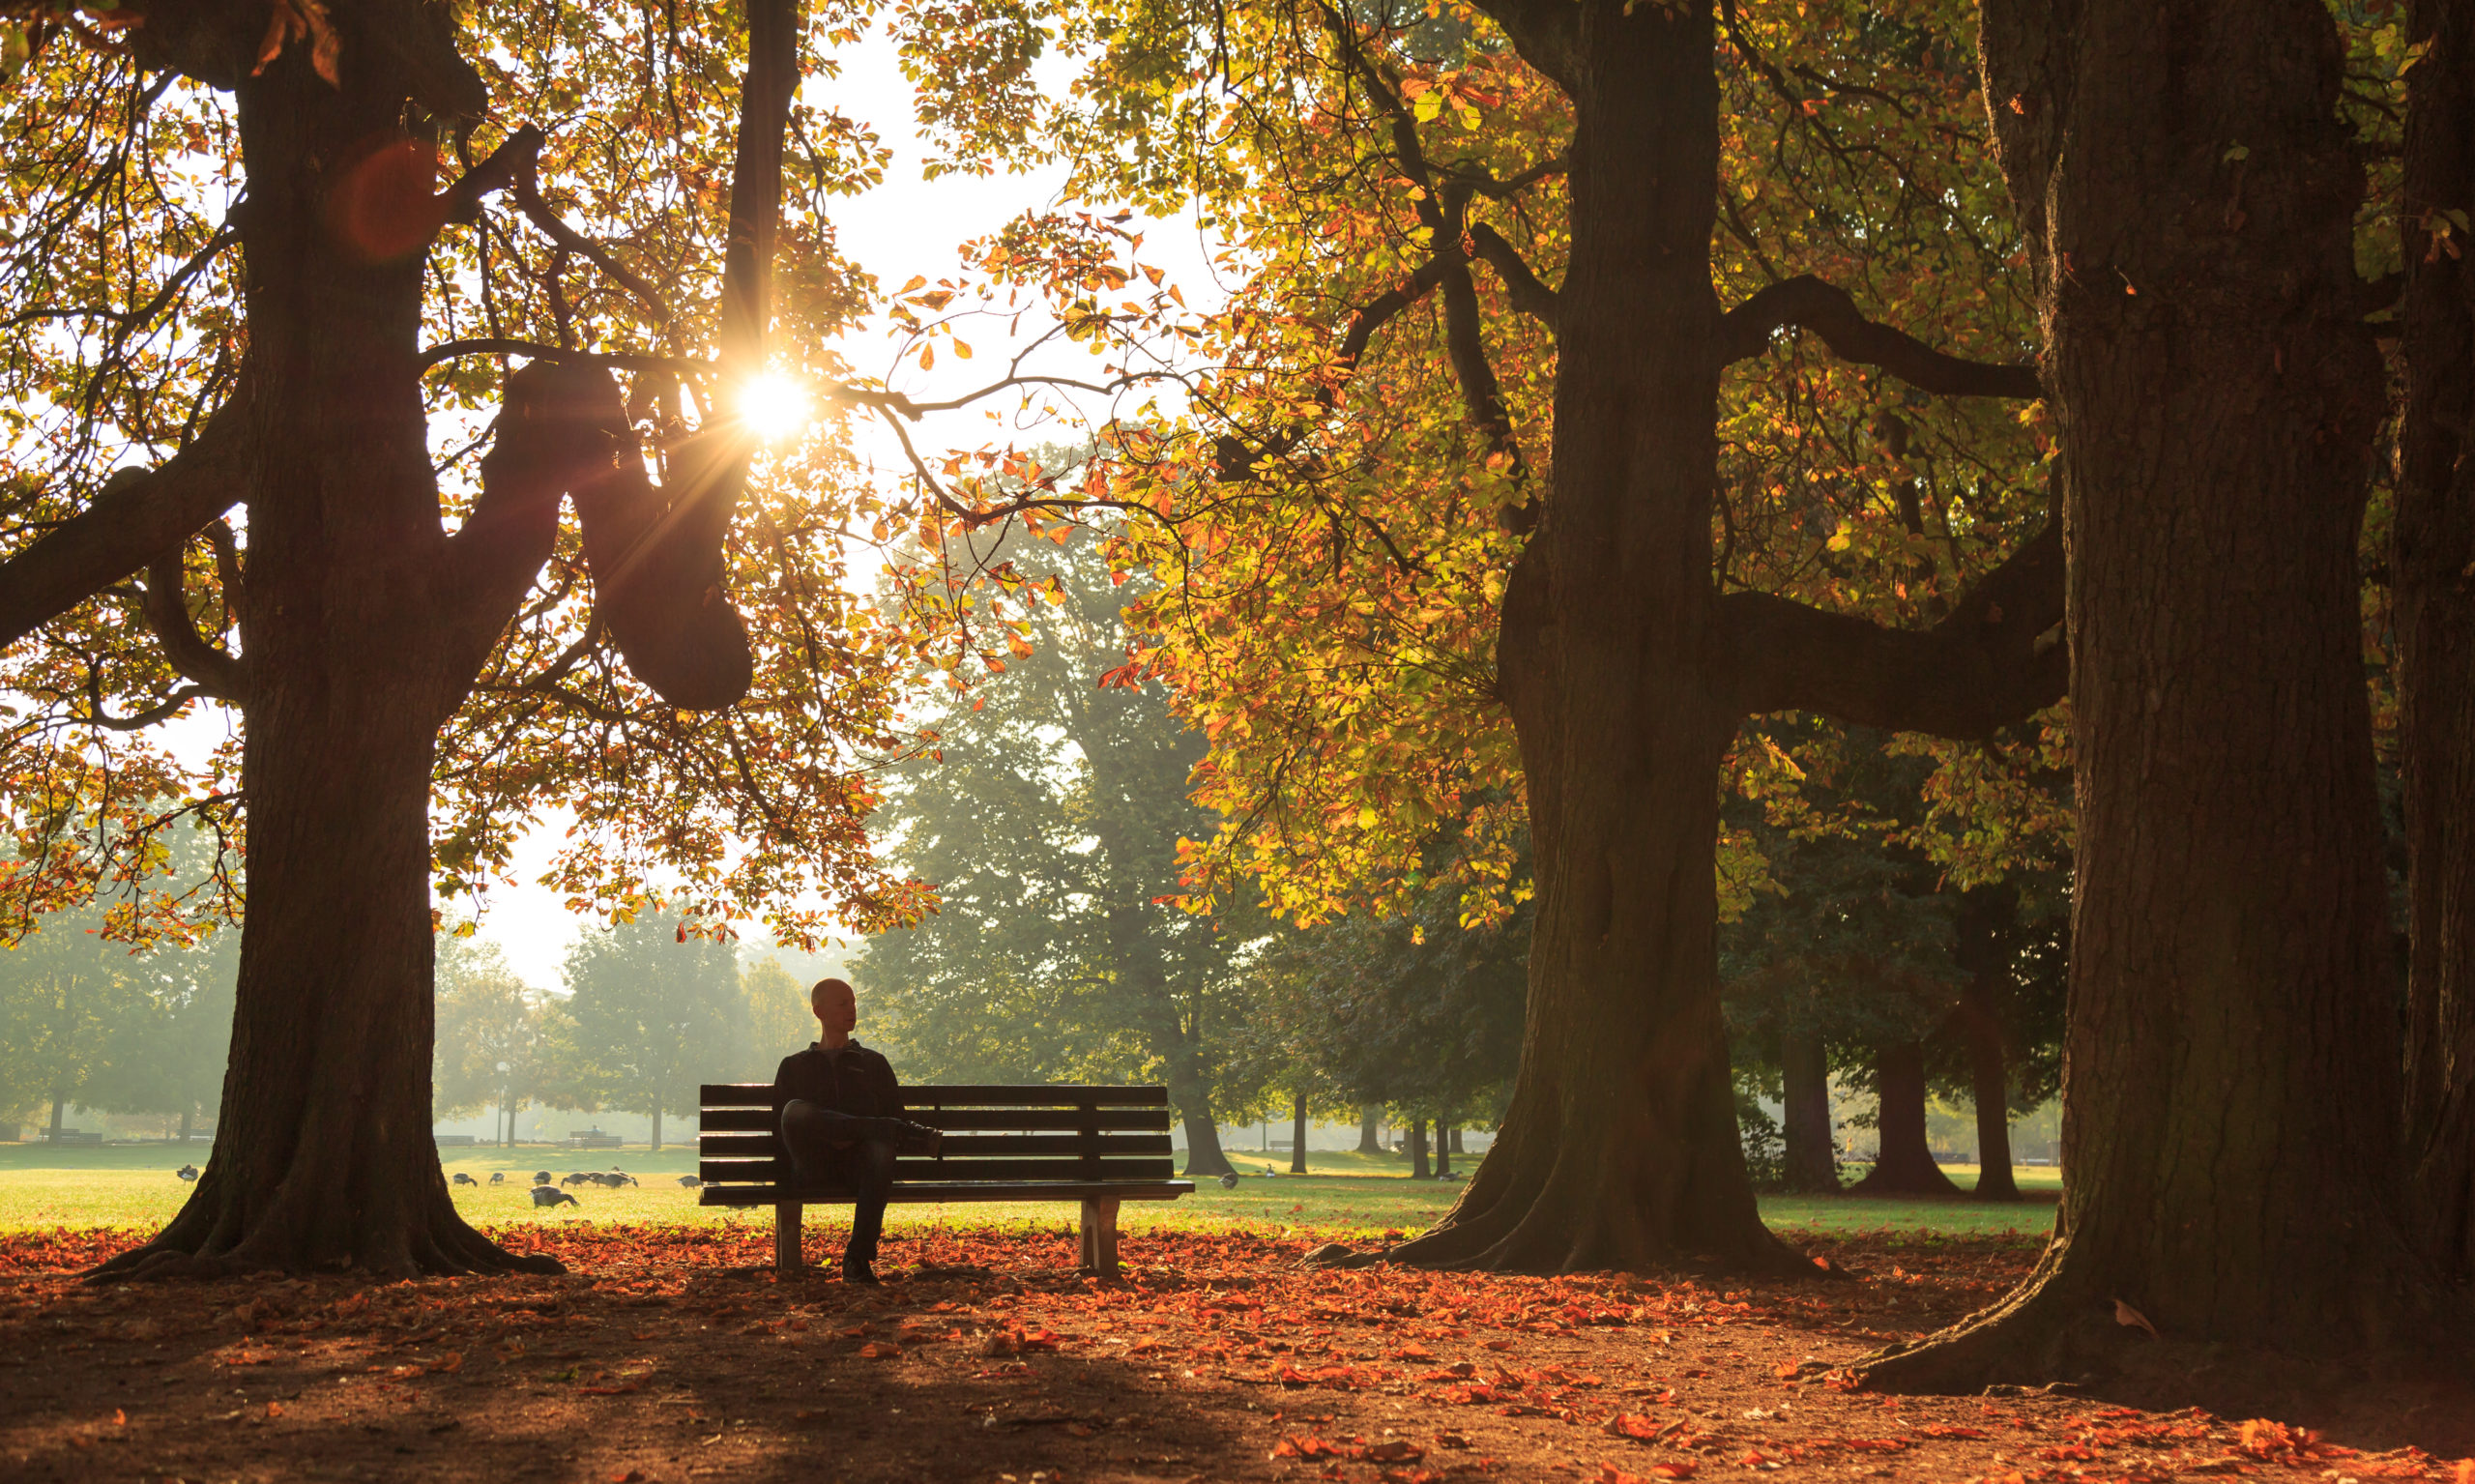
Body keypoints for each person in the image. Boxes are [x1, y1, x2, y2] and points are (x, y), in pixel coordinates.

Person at [771, 977, 940, 1283]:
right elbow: (783, 1127)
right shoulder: (794, 1066)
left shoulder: (873, 1063)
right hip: (811, 1164)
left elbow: (893, 1115)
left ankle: (857, 1259)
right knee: (795, 1109)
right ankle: (900, 1131)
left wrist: (857, 1134)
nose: (852, 1009)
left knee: (882, 1147)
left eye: (853, 1002)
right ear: (819, 1011)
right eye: (843, 1003)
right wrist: (867, 1129)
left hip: (859, 1165)